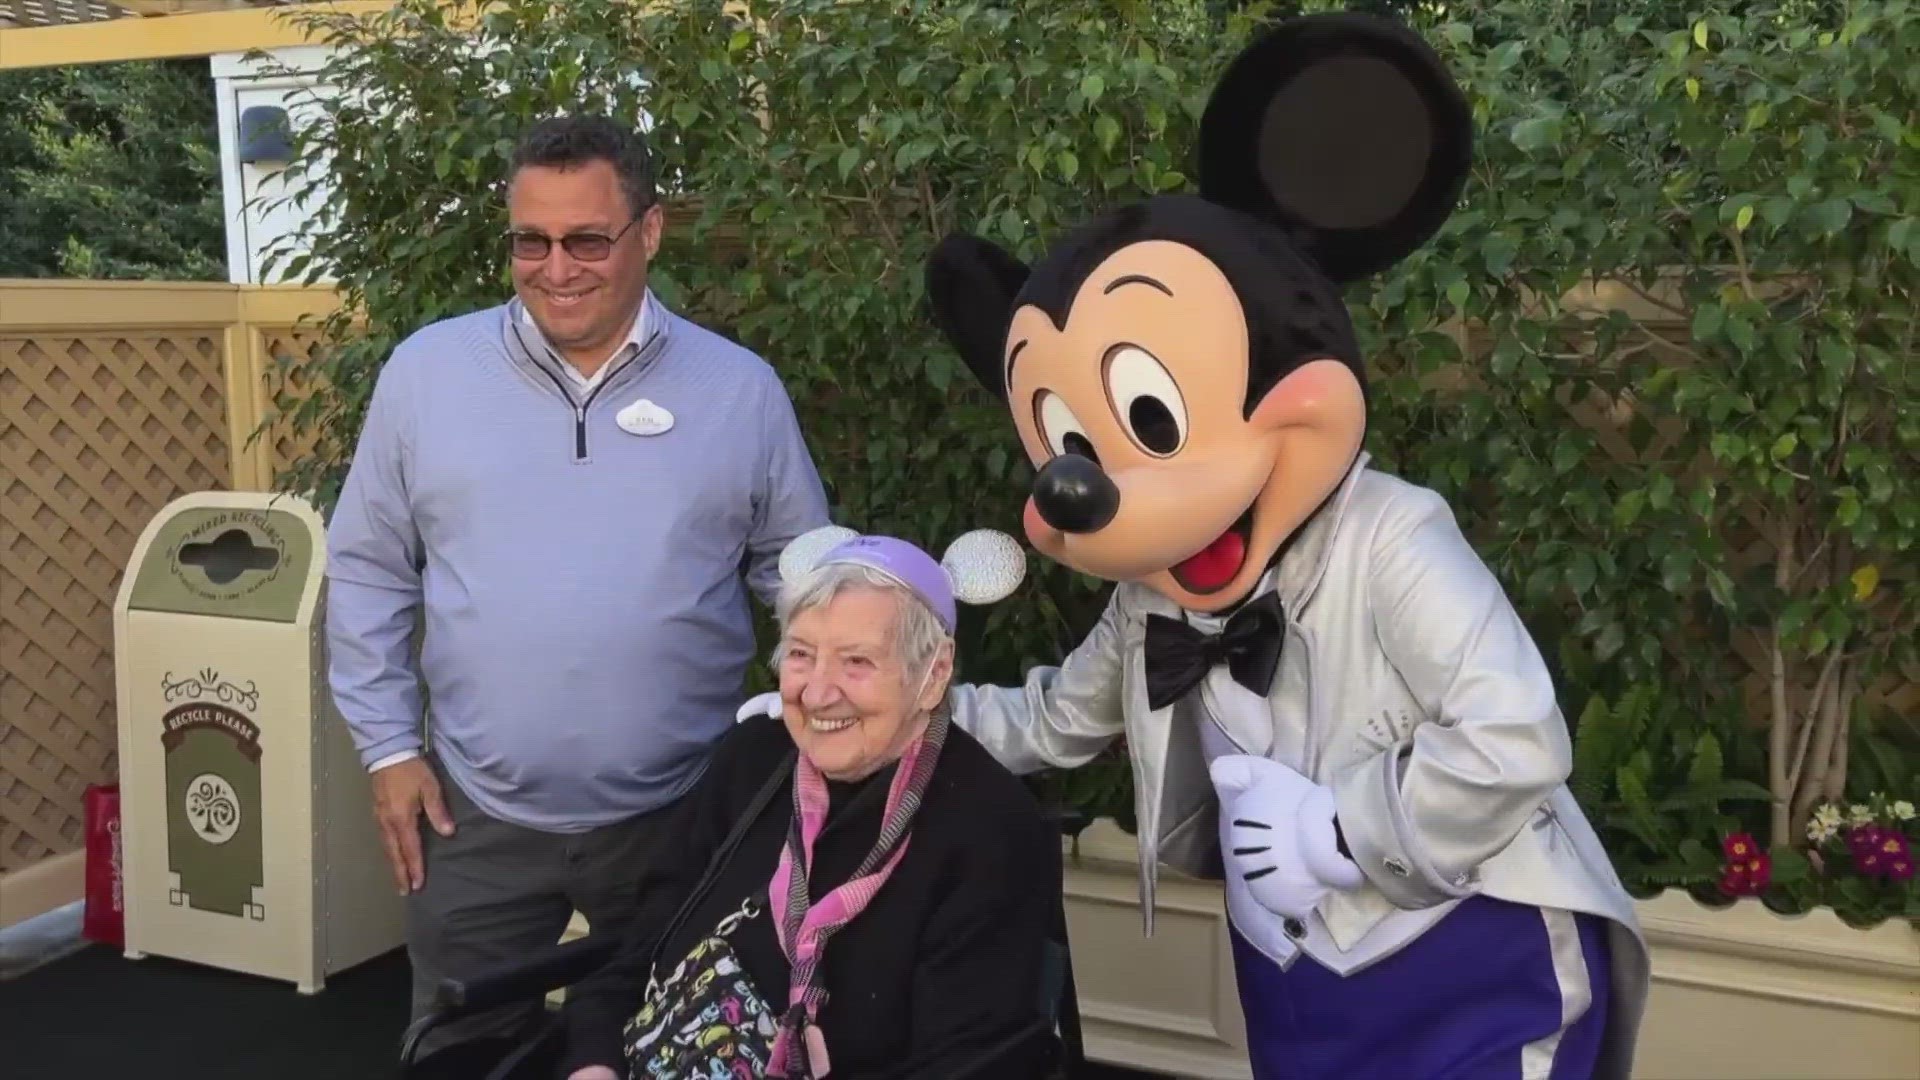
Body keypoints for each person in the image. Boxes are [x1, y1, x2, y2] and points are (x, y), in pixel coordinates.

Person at [747, 12, 1650, 1080]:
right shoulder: (1150, 599)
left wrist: (1341, 833)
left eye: (1154, 423)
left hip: (1471, 953)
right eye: (1074, 445)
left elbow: (1515, 738)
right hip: (1291, 972)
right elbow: (1050, 720)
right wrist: (865, 709)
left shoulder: (1393, 536)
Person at [323, 112, 831, 1058]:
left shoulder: (739, 391)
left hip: (682, 816)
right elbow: (367, 568)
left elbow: (802, 578)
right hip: (472, 817)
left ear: (649, 232)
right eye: (531, 241)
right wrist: (388, 748)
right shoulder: (426, 376)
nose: (557, 269)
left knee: (681, 1051)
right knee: (462, 1053)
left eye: (587, 239)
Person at [560, 529, 1058, 1080]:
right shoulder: (752, 763)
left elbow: (972, 1061)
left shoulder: (985, 824)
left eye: (856, 662)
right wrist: (594, 1063)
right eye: (801, 654)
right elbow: (637, 956)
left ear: (934, 673)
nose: (817, 692)